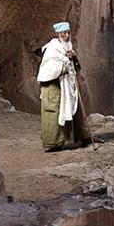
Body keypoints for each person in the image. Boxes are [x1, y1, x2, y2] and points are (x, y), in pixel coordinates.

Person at [37, 21, 91, 152]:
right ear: (58, 33)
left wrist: (73, 58)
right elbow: (48, 69)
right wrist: (65, 64)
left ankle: (82, 137)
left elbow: (76, 66)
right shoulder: (52, 48)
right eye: (63, 33)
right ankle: (53, 143)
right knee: (54, 112)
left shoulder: (68, 47)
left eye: (68, 32)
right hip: (53, 86)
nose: (66, 35)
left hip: (68, 85)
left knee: (75, 110)